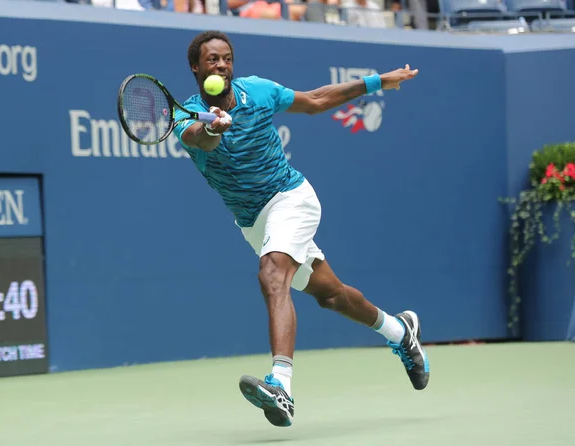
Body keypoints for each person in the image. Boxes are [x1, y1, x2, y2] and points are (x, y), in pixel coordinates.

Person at [173, 30, 429, 428]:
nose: (220, 65)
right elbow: (198, 140)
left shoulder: (257, 91)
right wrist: (213, 129)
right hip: (254, 222)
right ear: (196, 67)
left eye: (226, 58)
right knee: (332, 295)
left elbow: (315, 101)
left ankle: (282, 385)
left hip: (291, 198)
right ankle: (400, 331)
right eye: (211, 60)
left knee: (272, 275)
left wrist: (379, 81)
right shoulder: (186, 115)